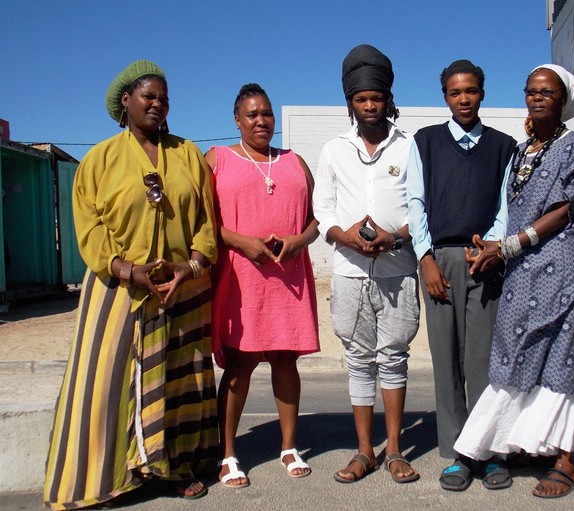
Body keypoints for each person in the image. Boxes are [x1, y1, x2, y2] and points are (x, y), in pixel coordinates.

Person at [44, 60, 219, 509]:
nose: (158, 104)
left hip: (181, 288)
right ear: (126, 101)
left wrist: (191, 266)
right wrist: (127, 269)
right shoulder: (99, 159)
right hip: (117, 288)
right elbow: (90, 227)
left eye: (164, 97)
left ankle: (175, 468)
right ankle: (100, 479)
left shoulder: (188, 155)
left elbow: (205, 221)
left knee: (179, 385)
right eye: (149, 96)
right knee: (103, 383)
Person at [454, 64, 574, 499]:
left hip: (561, 266)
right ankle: (524, 443)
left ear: (564, 98)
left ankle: (565, 460)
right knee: (515, 354)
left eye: (546, 91)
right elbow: (515, 212)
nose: (537, 97)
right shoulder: (521, 150)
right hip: (521, 272)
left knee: (561, 357)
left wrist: (509, 246)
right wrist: (493, 245)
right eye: (531, 90)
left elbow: (562, 211)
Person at [406, 59, 516, 491]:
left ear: (482, 93)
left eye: (471, 90)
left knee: (483, 362)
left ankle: (488, 452)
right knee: (447, 361)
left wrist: (493, 246)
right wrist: (425, 258)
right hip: (441, 261)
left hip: (485, 259)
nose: (464, 98)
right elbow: (414, 202)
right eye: (455, 92)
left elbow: (506, 207)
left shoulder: (503, 146)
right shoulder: (426, 142)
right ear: (445, 97)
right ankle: (456, 455)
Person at [313, 44, 420, 485]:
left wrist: (396, 237)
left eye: (377, 97)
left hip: (399, 269)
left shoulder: (411, 146)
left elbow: (422, 209)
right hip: (350, 271)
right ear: (350, 103)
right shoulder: (334, 150)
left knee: (394, 357)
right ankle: (364, 452)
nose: (370, 105)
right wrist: (347, 237)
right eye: (361, 99)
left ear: (388, 99)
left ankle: (394, 450)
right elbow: (324, 211)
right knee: (358, 359)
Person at [208, 83, 320, 488]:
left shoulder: (294, 161)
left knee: (286, 361)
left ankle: (289, 446)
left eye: (267, 114)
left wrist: (299, 241)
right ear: (236, 120)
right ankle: (228, 453)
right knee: (239, 365)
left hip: (287, 276)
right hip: (242, 277)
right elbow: (204, 222)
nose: (261, 121)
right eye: (252, 114)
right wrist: (241, 241)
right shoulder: (217, 159)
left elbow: (315, 220)